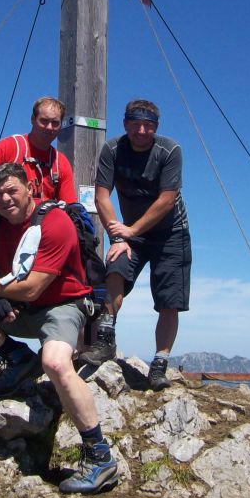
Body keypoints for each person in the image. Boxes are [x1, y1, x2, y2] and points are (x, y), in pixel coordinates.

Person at [0, 162, 118, 495]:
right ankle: (19, 358)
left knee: (54, 362)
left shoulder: (55, 223)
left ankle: (100, 456)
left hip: (62, 306)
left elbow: (33, 287)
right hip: (20, 305)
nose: (5, 199)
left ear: (30, 189)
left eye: (12, 190)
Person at [0, 97, 77, 391]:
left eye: (56, 123)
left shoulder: (59, 163)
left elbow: (70, 208)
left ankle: (42, 366)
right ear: (32, 119)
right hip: (0, 237)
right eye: (44, 121)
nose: (50, 128)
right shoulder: (8, 148)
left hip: (38, 243)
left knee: (20, 296)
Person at [82, 98, 191, 391]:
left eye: (149, 125)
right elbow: (101, 196)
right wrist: (119, 236)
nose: (142, 130)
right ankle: (105, 338)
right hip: (131, 233)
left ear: (156, 127)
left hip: (171, 233)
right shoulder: (113, 150)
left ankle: (158, 366)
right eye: (136, 123)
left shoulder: (169, 150)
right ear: (125, 123)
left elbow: (167, 200)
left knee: (170, 301)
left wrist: (130, 230)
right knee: (115, 269)